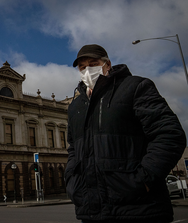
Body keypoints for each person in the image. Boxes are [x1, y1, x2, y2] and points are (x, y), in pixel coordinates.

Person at [65, 44, 186, 223]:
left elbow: (169, 134)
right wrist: (72, 184)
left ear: (107, 64)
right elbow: (74, 149)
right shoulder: (76, 106)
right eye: (82, 67)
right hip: (91, 212)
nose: (88, 71)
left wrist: (143, 181)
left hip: (140, 210)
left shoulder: (136, 87)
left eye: (93, 64)